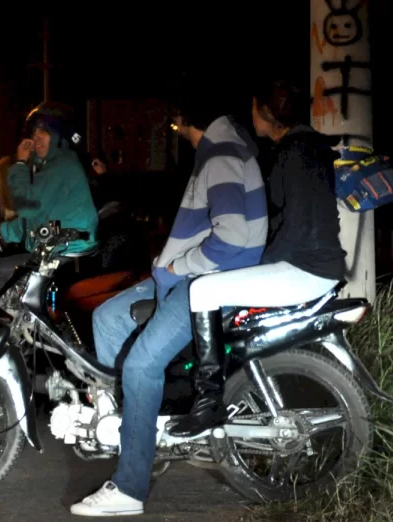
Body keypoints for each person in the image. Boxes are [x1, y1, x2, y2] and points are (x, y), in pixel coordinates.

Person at [73, 94, 267, 517]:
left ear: (186, 119)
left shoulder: (221, 155)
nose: (176, 130)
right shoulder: (218, 151)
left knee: (141, 365)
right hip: (188, 277)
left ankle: (130, 487)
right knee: (108, 317)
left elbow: (233, 236)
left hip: (209, 282)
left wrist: (180, 265)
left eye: (176, 122)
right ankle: (141, 432)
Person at [169, 80, 346, 438]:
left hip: (303, 268)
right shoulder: (312, 146)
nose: (251, 116)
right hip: (320, 264)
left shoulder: (292, 154)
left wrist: (257, 266)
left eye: (253, 109)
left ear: (264, 113)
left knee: (203, 291)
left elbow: (294, 226)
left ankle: (208, 403)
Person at [0, 101, 99, 307]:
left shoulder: (62, 166)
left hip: (63, 255)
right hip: (60, 251)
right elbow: (36, 219)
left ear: (59, 136)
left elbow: (25, 204)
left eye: (44, 131)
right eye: (34, 132)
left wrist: (20, 163)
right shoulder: (57, 166)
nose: (36, 137)